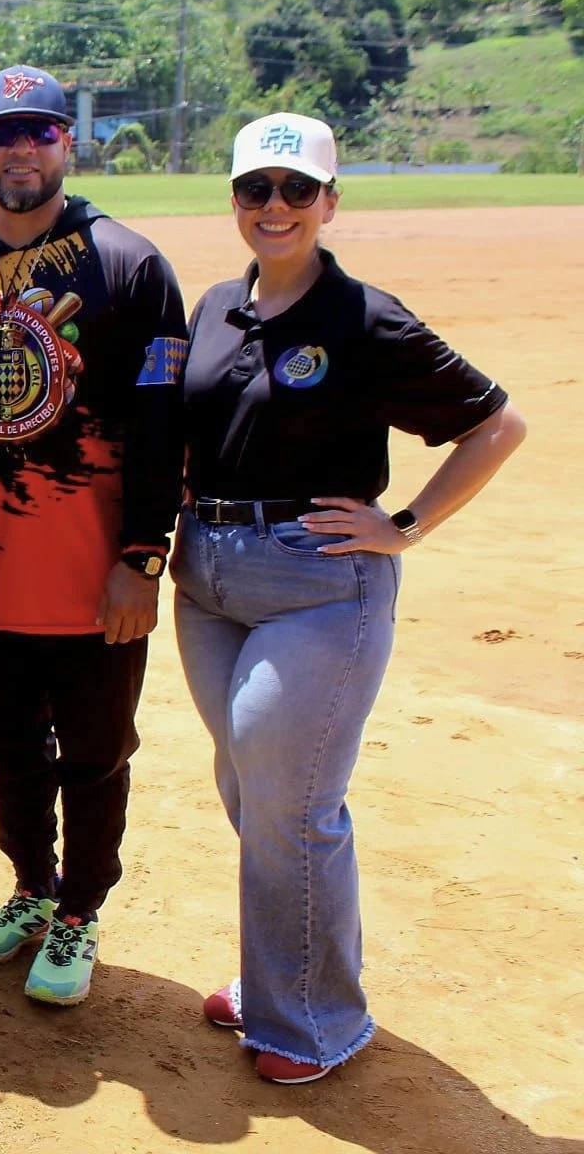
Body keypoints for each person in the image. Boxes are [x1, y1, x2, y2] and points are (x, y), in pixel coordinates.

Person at [173, 112, 526, 1083]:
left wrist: (405, 523)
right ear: (235, 200)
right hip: (206, 577)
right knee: (251, 785)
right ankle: (278, 975)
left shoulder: (366, 318)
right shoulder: (211, 307)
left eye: (297, 190)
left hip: (317, 582)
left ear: (330, 201)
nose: (274, 207)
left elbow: (498, 424)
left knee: (292, 798)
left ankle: (313, 1021)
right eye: (256, 189)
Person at [0, 66, 187, 1006]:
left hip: (93, 582)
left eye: (39, 131)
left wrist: (142, 559)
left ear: (66, 144)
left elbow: (164, 427)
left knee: (92, 754)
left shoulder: (125, 264)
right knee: (5, 748)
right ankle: (31, 889)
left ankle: (80, 908)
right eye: (2, 133)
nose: (21, 149)